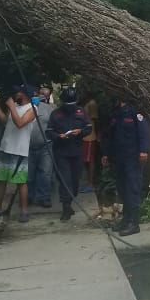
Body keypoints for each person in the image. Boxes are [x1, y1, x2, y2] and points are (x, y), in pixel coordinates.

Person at [0, 84, 36, 223]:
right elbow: (5, 121)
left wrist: (12, 107)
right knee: (1, 180)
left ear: (24, 94)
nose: (15, 94)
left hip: (19, 150)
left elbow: (20, 123)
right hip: (5, 148)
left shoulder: (32, 109)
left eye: (18, 92)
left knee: (20, 182)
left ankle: (24, 211)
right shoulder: (16, 107)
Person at [102, 97, 149, 236]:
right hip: (119, 158)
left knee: (132, 190)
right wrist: (106, 154)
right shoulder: (117, 113)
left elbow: (144, 132)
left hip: (133, 159)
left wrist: (144, 150)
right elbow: (111, 137)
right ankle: (126, 219)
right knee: (123, 190)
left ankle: (134, 223)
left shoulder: (136, 112)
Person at [46, 87, 91, 221]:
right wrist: (58, 136)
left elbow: (88, 128)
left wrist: (80, 132)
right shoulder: (56, 114)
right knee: (65, 180)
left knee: (75, 181)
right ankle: (66, 207)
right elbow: (48, 131)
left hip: (76, 152)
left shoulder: (81, 112)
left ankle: (70, 202)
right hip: (61, 153)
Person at [28, 87, 56, 208]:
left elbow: (55, 126)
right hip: (28, 146)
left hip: (46, 146)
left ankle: (44, 197)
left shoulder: (50, 109)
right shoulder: (27, 107)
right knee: (29, 174)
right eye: (41, 94)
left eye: (46, 95)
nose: (42, 97)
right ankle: (29, 196)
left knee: (45, 173)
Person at [80, 97, 99, 193]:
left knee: (89, 160)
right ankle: (87, 182)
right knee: (85, 160)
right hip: (84, 136)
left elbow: (95, 121)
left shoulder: (92, 103)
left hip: (90, 137)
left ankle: (90, 184)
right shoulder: (86, 103)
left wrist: (98, 135)